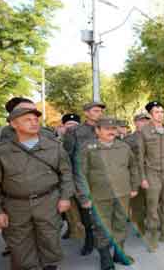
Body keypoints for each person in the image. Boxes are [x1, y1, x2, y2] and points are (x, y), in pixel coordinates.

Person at [0, 107, 74, 270]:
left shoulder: (54, 147)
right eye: (27, 120)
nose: (33, 123)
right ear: (13, 124)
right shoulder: (0, 152)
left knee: (50, 240)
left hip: (48, 201)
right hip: (15, 206)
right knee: (20, 246)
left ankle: (50, 266)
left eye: (35, 120)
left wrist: (65, 197)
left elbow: (66, 175)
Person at [75, 117, 140, 269]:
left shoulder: (123, 146)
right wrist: (84, 196)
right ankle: (105, 258)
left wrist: (134, 186)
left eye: (113, 129)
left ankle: (119, 254)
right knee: (101, 227)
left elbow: (133, 167)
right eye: (107, 129)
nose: (111, 131)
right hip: (99, 195)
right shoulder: (87, 148)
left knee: (121, 224)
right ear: (97, 130)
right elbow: (80, 174)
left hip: (122, 193)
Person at [137, 101, 164, 251]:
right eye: (156, 112)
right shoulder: (144, 132)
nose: (160, 114)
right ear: (150, 115)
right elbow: (140, 157)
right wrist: (142, 178)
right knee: (152, 205)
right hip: (152, 173)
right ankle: (153, 235)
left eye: (162, 111)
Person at [63, 101, 106, 256]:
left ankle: (106, 249)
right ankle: (89, 239)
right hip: (83, 183)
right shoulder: (74, 132)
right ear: (86, 113)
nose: (99, 113)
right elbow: (67, 160)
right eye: (95, 111)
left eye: (100, 111)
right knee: (87, 217)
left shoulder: (107, 129)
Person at [124, 112, 151, 235]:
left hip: (152, 174)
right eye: (141, 120)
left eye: (146, 120)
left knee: (153, 202)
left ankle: (153, 224)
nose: (144, 123)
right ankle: (140, 227)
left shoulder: (154, 136)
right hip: (136, 175)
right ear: (135, 123)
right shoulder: (128, 139)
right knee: (137, 204)